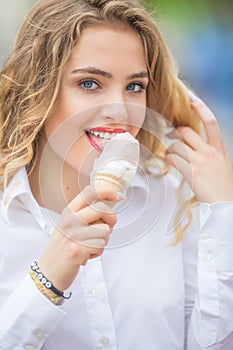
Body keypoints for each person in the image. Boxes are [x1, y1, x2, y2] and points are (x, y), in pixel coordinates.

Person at [0, 0, 233, 349]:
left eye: (134, 86)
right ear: (40, 89)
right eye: (90, 83)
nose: (119, 110)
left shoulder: (174, 198)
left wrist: (224, 209)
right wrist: (48, 278)